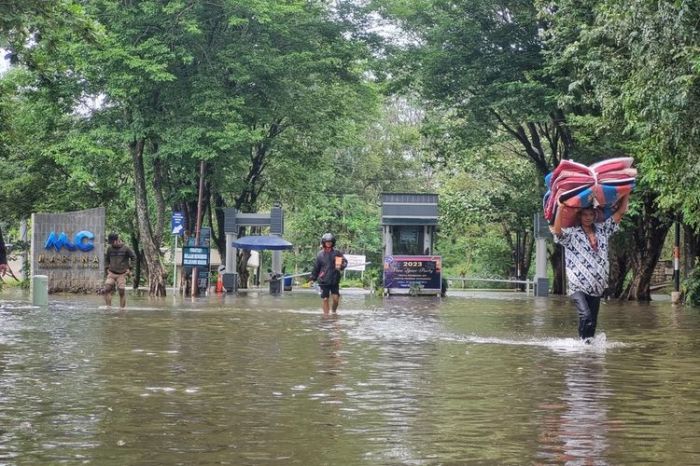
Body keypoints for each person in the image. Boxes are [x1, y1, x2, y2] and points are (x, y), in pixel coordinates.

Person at [550, 195, 630, 342]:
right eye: (585, 214)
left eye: (591, 214)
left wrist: (625, 193)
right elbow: (557, 232)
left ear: (595, 215)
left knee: (591, 323)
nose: (588, 218)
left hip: (597, 286)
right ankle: (583, 347)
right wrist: (560, 207)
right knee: (585, 316)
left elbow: (619, 213)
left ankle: (585, 352)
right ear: (579, 216)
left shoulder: (602, 230)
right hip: (578, 285)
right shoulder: (572, 233)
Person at [309, 233, 348, 314]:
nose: (328, 243)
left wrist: (341, 266)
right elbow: (316, 268)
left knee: (336, 299)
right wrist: (312, 279)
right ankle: (326, 316)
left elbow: (344, 262)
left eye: (330, 242)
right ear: (324, 242)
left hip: (334, 279)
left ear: (333, 242)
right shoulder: (320, 254)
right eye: (327, 242)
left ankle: (333, 312)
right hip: (323, 280)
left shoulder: (337, 253)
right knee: (325, 298)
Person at [104, 232, 137, 309]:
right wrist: (107, 269)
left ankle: (122, 309)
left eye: (112, 242)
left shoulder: (126, 248)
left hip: (122, 273)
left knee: (121, 290)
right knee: (107, 288)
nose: (111, 244)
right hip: (111, 273)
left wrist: (130, 269)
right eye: (110, 242)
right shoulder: (109, 249)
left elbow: (134, 258)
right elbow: (106, 259)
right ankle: (108, 307)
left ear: (117, 240)